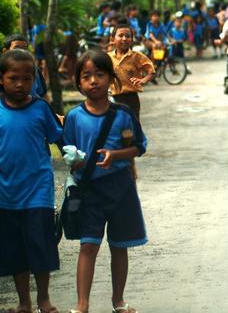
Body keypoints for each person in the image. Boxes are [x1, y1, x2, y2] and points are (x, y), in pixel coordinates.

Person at [64, 50, 147, 313]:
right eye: (86, 76)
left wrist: (116, 155)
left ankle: (118, 301)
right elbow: (68, 149)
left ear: (111, 79)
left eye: (99, 74)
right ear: (78, 82)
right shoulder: (74, 116)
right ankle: (82, 305)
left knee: (119, 246)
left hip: (120, 187)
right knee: (88, 245)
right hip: (89, 190)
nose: (93, 81)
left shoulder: (123, 114)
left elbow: (139, 146)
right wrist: (74, 162)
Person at [0, 50, 62, 313]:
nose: (20, 84)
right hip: (6, 193)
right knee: (15, 250)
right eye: (13, 78)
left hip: (38, 191)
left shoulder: (40, 108)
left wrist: (77, 160)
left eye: (27, 79)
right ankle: (24, 302)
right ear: (1, 79)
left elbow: (59, 138)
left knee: (41, 246)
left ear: (34, 80)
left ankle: (43, 299)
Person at [108, 24, 155, 120]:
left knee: (133, 123)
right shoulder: (108, 57)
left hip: (131, 98)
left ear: (132, 39)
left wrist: (143, 80)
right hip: (113, 97)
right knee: (115, 123)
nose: (124, 39)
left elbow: (151, 72)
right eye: (120, 35)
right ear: (113, 39)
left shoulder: (136, 56)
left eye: (128, 36)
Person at [3, 34, 48, 100]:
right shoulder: (2, 70)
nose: (21, 52)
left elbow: (43, 95)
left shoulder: (34, 70)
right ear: (5, 51)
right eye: (16, 48)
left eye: (24, 49)